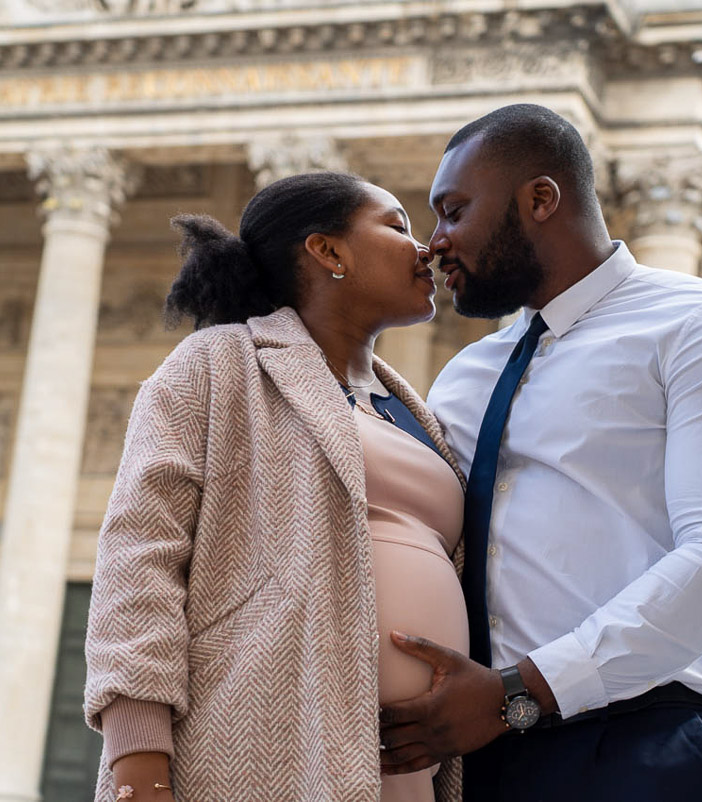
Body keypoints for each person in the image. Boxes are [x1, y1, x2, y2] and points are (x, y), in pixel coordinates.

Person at [377, 104, 702, 802]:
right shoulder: (463, 377)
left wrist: (522, 691)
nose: (433, 243)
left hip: (643, 746)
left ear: (541, 199)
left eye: (453, 212)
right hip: (475, 754)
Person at [84, 171, 470, 802]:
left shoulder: (412, 410)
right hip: (260, 755)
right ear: (328, 251)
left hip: (406, 767)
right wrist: (138, 768)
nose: (426, 247)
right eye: (398, 226)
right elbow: (139, 561)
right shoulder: (219, 362)